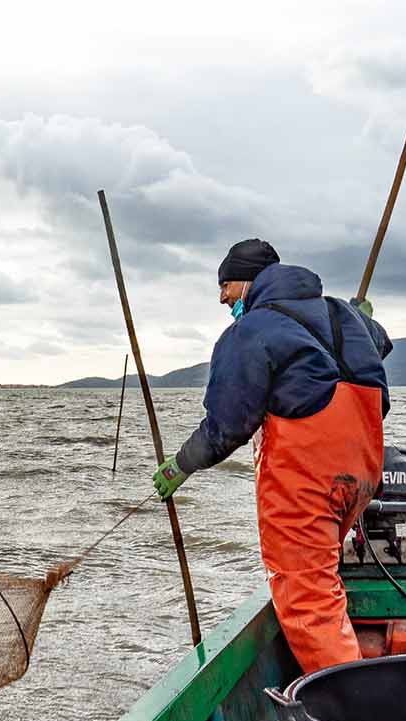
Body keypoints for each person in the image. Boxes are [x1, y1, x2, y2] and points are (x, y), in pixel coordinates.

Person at [152, 238, 392, 673]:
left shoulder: (250, 331)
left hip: (309, 479)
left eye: (224, 286)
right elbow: (381, 345)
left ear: (246, 281)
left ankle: (351, 711)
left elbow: (226, 427)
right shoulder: (342, 313)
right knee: (321, 576)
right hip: (362, 471)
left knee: (308, 599)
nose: (222, 298)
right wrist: (362, 318)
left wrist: (181, 464)